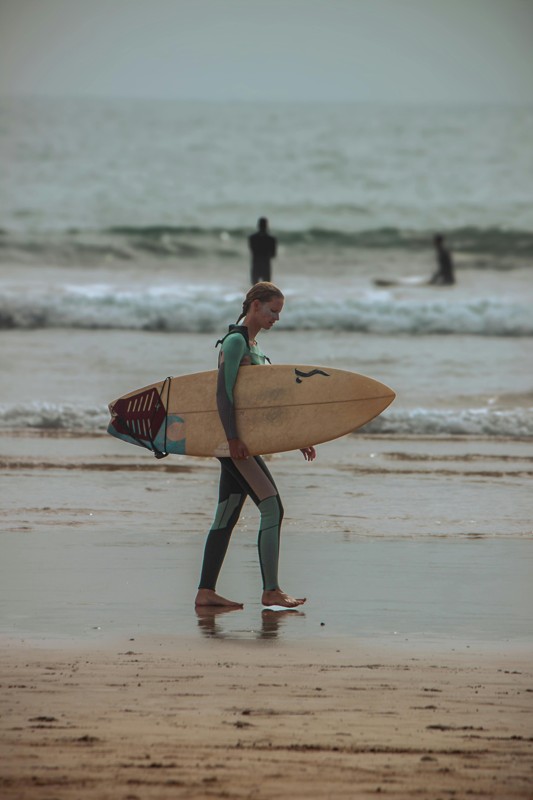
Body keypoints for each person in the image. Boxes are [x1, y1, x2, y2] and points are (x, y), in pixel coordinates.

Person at [195, 282, 316, 610]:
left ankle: (205, 592)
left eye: (279, 312)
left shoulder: (257, 348)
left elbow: (265, 407)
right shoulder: (235, 342)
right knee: (272, 507)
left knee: (226, 516)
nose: (277, 318)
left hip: (245, 443)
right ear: (255, 306)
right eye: (273, 310)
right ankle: (271, 591)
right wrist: (232, 438)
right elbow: (224, 393)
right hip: (235, 444)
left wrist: (297, 438)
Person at [248, 217, 277, 284]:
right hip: (265, 265)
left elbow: (252, 251)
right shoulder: (271, 239)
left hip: (256, 264)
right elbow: (273, 254)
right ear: (266, 226)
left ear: (258, 225)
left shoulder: (252, 238)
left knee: (254, 289)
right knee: (267, 289)